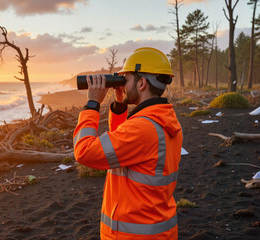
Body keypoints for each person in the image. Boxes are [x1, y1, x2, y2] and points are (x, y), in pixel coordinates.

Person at [73, 47, 183, 239]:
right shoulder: (163, 120)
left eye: (127, 79)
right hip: (157, 229)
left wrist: (92, 105)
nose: (122, 84)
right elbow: (121, 148)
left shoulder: (142, 129)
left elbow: (84, 152)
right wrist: (120, 104)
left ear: (141, 83)